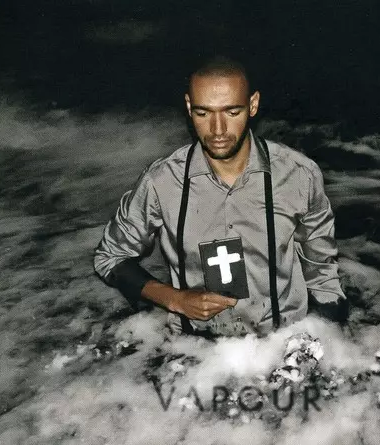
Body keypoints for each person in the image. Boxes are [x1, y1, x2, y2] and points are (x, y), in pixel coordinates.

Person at [94, 56, 348, 337]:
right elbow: (110, 257)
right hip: (198, 345)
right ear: (189, 107)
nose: (217, 130)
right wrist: (175, 299)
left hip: (281, 341)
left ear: (253, 105)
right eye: (203, 113)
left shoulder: (298, 175)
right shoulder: (162, 181)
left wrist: (332, 340)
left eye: (232, 112)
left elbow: (322, 274)